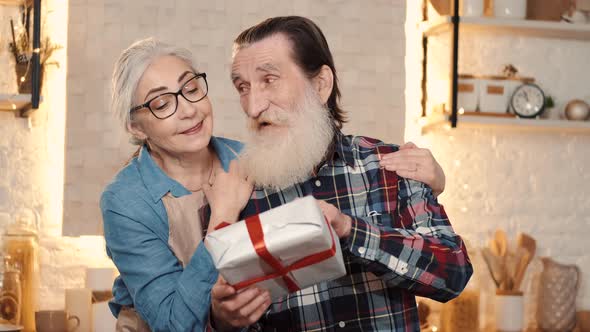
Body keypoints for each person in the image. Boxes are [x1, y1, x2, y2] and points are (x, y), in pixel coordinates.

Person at [101, 37, 447, 331]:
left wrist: (428, 181)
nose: (189, 110)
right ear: (136, 127)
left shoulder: (252, 160)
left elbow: (331, 200)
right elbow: (175, 324)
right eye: (162, 103)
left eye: (191, 88)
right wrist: (222, 216)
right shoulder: (125, 201)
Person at [208, 16, 473, 331]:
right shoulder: (237, 190)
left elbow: (453, 274)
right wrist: (223, 321)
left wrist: (349, 230)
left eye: (268, 80)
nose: (252, 107)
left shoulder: (391, 165)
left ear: (320, 85)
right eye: (243, 87)